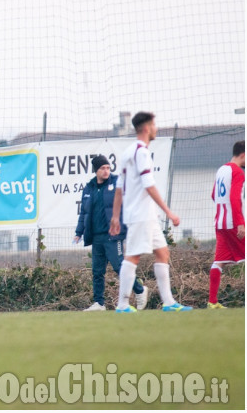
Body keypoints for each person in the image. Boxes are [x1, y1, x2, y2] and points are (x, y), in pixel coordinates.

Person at [109, 112, 192, 313]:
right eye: (154, 125)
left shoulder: (128, 151)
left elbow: (120, 187)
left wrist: (115, 216)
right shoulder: (142, 152)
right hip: (141, 214)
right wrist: (169, 212)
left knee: (162, 252)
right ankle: (122, 305)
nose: (156, 128)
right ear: (146, 128)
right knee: (133, 256)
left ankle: (169, 302)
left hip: (144, 214)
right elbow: (149, 185)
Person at [74, 155, 148, 311]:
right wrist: (78, 232)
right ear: (96, 170)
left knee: (119, 266)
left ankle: (140, 291)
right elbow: (84, 213)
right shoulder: (89, 188)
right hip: (96, 236)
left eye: (108, 168)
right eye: (102, 168)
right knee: (97, 271)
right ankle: (99, 303)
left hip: (114, 235)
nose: (106, 171)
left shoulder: (117, 183)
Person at [207, 140, 245, 309]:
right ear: (243, 155)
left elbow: (214, 195)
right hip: (231, 223)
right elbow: (234, 198)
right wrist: (240, 224)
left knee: (219, 261)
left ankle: (212, 301)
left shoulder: (221, 169)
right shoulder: (238, 172)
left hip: (220, 223)